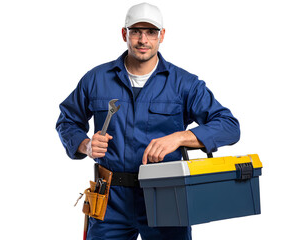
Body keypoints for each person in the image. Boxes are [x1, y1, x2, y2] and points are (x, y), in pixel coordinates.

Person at [56, 2, 240, 240]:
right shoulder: (96, 79)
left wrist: (180, 138)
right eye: (136, 31)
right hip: (110, 198)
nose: (143, 39)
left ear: (162, 36)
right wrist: (86, 145)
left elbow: (229, 126)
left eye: (151, 32)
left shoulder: (184, 84)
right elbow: (67, 121)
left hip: (167, 195)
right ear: (125, 34)